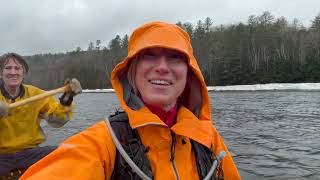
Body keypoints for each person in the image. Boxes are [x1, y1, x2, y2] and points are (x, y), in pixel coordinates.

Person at [21, 21, 241, 179]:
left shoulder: (208, 137)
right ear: (133, 72)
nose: (162, 67)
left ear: (189, 74)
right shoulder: (103, 142)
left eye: (174, 57)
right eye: (149, 55)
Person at [0, 53, 81, 177]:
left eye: (17, 68)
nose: (13, 72)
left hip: (30, 153)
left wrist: (67, 100)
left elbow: (57, 121)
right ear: (1, 73)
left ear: (23, 73)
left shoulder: (36, 94)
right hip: (2, 156)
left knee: (73, 153)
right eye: (8, 68)